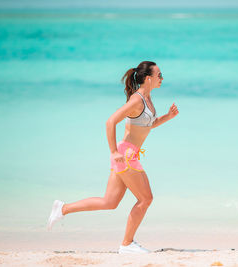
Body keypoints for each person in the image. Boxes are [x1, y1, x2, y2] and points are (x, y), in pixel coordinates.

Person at [47, 61, 179, 254]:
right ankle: (127, 244)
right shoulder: (137, 100)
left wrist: (168, 116)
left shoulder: (148, 99)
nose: (162, 78)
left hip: (128, 155)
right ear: (149, 78)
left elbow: (146, 126)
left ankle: (62, 208)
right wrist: (114, 152)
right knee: (146, 199)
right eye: (160, 75)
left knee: (109, 202)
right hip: (125, 156)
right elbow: (111, 122)